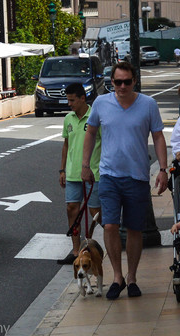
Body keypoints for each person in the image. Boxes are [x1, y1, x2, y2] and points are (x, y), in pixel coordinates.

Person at [81, 61, 168, 300]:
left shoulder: (148, 105)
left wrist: (163, 169)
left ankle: (132, 277)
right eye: (117, 82)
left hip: (137, 176)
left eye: (126, 82)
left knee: (134, 229)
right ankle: (117, 277)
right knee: (109, 225)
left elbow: (159, 137)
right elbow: (90, 133)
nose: (121, 86)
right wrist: (85, 165)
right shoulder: (101, 103)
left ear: (134, 81)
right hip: (109, 175)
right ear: (111, 82)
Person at [57, 83, 102, 265]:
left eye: (72, 100)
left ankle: (112, 239)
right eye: (68, 100)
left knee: (95, 212)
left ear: (83, 98)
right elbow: (66, 145)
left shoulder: (95, 117)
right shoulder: (68, 119)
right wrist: (62, 170)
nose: (69, 104)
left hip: (94, 173)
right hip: (73, 174)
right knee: (72, 210)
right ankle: (76, 251)